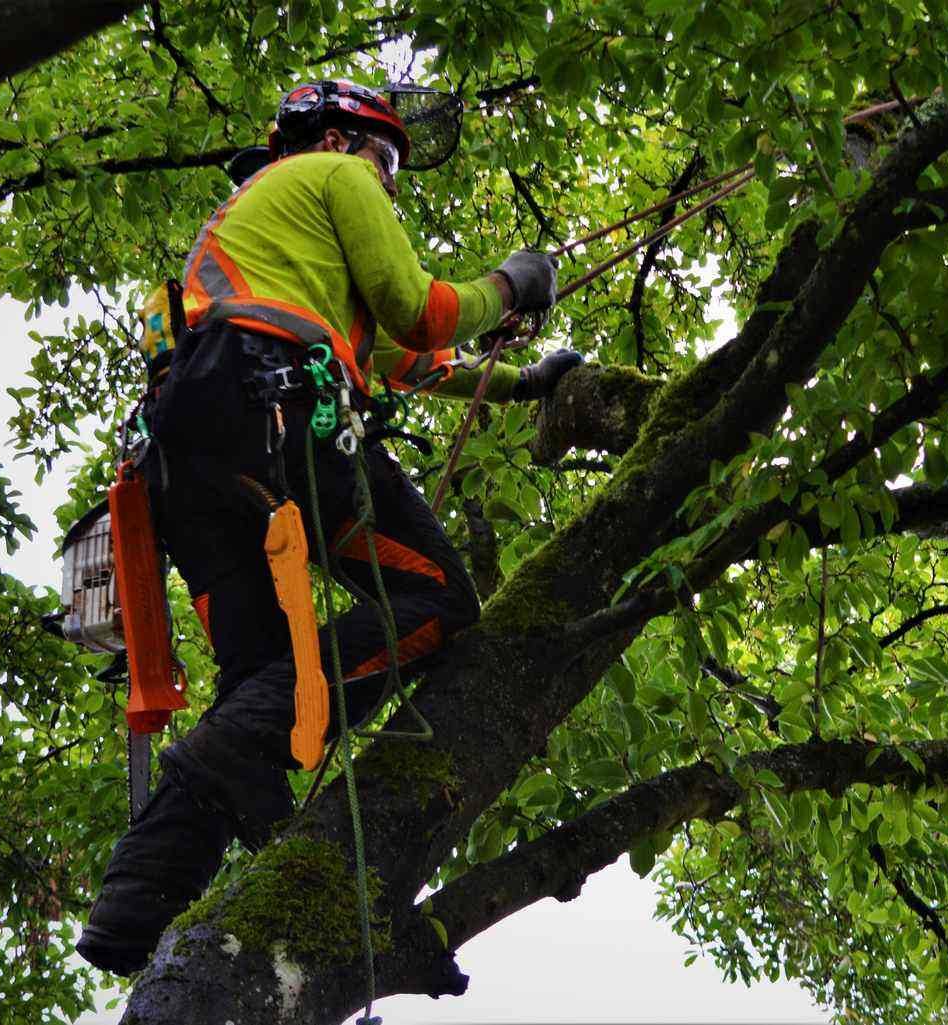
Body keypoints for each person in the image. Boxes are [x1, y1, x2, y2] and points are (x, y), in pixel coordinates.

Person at [77, 79, 582, 975]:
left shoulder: (268, 233)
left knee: (256, 683)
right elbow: (419, 309)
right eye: (384, 157)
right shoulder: (333, 177)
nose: (386, 182)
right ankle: (233, 759)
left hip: (191, 456)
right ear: (344, 139)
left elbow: (405, 359)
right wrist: (512, 280)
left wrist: (523, 383)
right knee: (435, 600)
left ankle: (135, 906)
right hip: (275, 415)